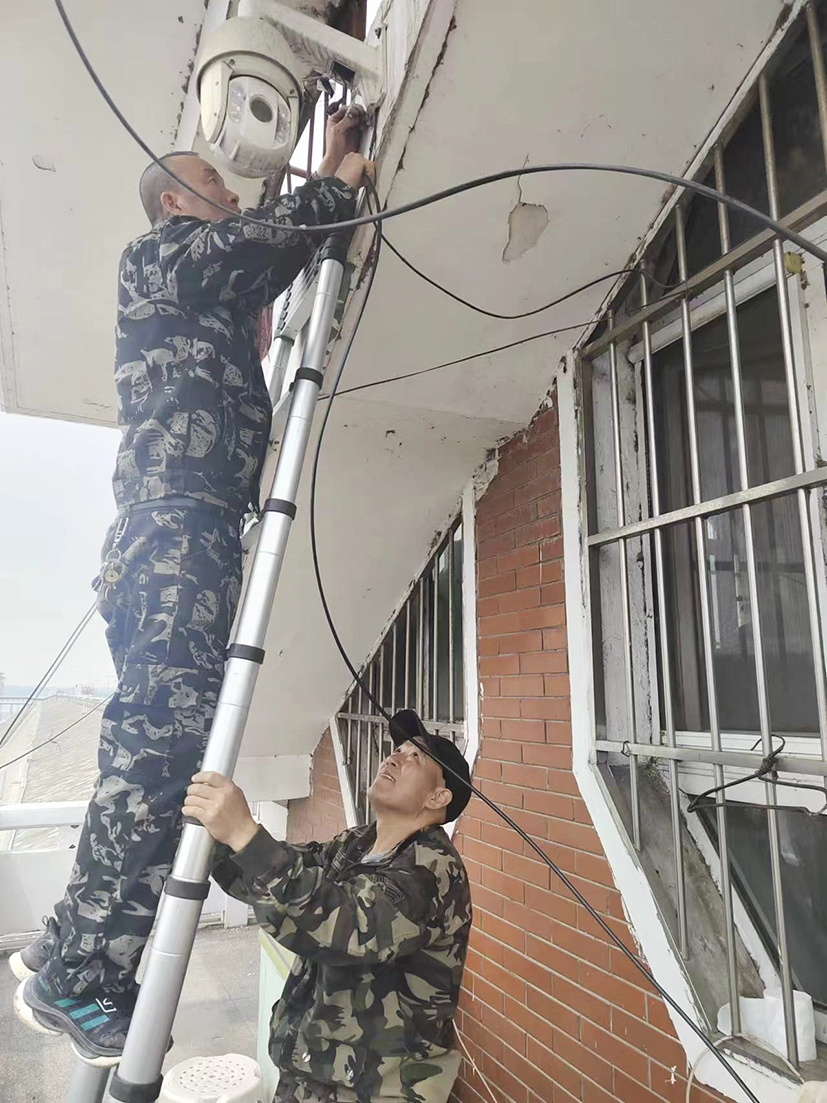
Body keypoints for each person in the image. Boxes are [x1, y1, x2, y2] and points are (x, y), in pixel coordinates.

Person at [12, 105, 373, 1065]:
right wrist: (338, 179)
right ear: (173, 202)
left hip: (182, 526)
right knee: (162, 751)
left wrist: (327, 170)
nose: (233, 192)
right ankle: (76, 978)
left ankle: (65, 938)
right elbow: (269, 237)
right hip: (177, 526)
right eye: (214, 182)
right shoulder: (161, 254)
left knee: (158, 743)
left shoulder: (197, 281)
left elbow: (261, 249)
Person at [185, 708, 473, 1103]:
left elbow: (345, 927)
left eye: (416, 757)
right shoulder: (357, 842)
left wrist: (245, 833)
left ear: (438, 797)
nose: (395, 757)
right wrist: (214, 839)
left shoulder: (433, 869)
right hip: (310, 1075)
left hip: (376, 1089)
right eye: (398, 749)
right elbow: (279, 877)